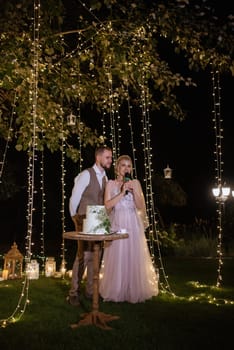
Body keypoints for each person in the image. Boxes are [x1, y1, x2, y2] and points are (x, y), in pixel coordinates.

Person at [99, 155, 159, 303]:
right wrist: (121, 193)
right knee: (118, 255)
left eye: (129, 166)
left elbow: (140, 206)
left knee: (133, 255)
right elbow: (107, 205)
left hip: (132, 222)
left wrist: (133, 192)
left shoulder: (135, 183)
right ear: (117, 168)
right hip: (118, 221)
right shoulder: (111, 184)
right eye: (123, 165)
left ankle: (134, 290)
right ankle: (117, 289)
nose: (126, 168)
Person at [68, 146, 112, 306]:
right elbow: (74, 198)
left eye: (111, 157)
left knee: (96, 256)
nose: (110, 160)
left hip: (99, 219)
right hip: (83, 218)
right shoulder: (86, 174)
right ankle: (73, 293)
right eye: (107, 157)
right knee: (83, 256)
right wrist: (76, 217)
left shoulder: (106, 178)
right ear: (98, 157)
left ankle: (90, 292)